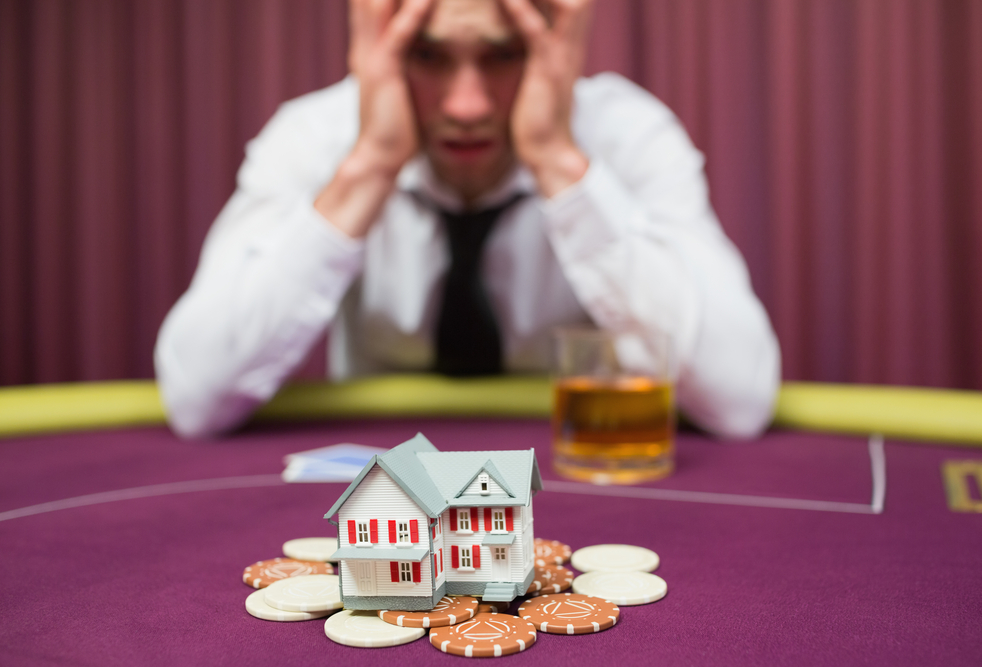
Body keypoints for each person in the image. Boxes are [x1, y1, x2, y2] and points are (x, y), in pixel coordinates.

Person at [155, 0, 781, 439]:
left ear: (554, 47)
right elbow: (196, 397)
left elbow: (739, 400)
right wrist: (370, 166)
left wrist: (559, 161)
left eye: (504, 54)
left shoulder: (625, 135)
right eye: (427, 55)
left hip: (578, 485)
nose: (467, 105)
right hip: (390, 473)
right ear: (378, 48)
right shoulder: (315, 138)